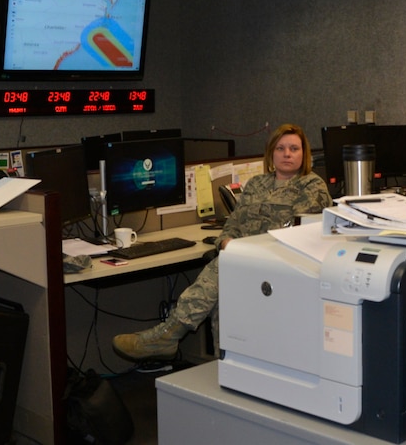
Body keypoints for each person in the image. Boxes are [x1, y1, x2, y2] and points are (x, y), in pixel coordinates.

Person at [111, 123, 332, 362]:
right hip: (244, 259)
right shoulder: (258, 183)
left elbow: (294, 232)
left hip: (280, 263)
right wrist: (225, 241)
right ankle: (223, 363)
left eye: (294, 149)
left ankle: (168, 333)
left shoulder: (312, 185)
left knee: (220, 268)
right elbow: (234, 221)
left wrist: (241, 250)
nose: (287, 154)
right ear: (271, 153)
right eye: (280, 148)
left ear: (304, 154)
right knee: (223, 282)